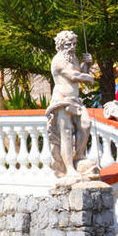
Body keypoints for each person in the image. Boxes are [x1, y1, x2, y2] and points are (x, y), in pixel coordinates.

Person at [46, 30, 98, 181]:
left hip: (75, 100)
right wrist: (87, 77)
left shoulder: (73, 58)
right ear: (61, 46)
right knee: (66, 134)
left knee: (86, 125)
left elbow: (79, 72)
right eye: (69, 44)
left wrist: (86, 65)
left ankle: (79, 156)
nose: (73, 47)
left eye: (74, 44)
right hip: (62, 100)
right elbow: (73, 76)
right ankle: (69, 168)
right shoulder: (58, 60)